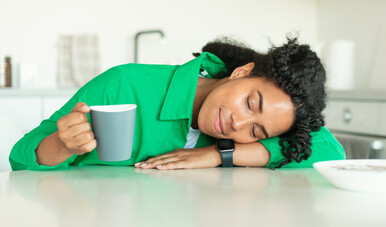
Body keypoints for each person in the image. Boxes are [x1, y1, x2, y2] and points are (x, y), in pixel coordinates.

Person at [9, 37, 345, 171]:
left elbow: (330, 151)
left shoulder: (232, 137)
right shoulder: (125, 84)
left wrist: (219, 154)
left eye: (257, 130)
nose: (237, 125)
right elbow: (20, 158)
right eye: (249, 103)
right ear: (241, 72)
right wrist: (62, 144)